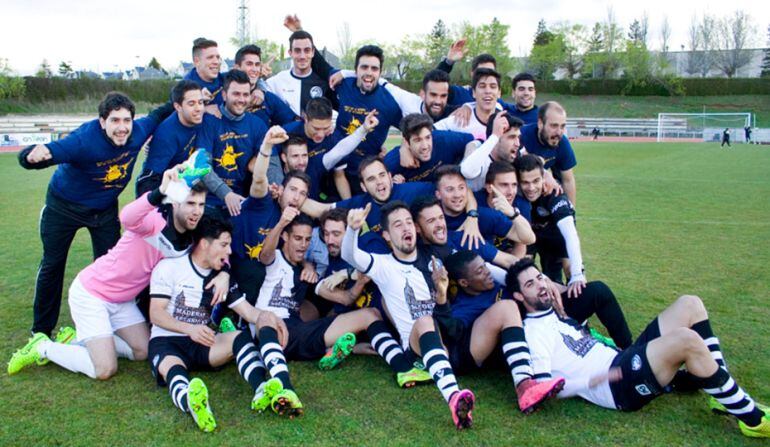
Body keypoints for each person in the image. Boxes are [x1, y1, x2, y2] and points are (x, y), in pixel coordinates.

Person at [507, 258, 770, 438]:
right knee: (686, 340)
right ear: (519, 297)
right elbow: (544, 390)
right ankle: (753, 419)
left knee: (690, 304)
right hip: (617, 386)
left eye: (540, 277)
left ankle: (721, 396)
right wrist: (591, 380)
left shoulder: (556, 313)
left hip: (623, 360)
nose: (541, 285)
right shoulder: (533, 332)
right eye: (530, 284)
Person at [8, 167, 229, 380]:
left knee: (142, 351)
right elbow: (127, 217)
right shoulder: (154, 222)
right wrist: (160, 191)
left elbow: (212, 250)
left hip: (123, 301)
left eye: (200, 204)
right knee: (104, 369)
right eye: (190, 203)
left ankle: (77, 339)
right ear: (175, 202)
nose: (197, 211)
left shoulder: (190, 237)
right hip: (93, 294)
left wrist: (224, 273)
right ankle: (43, 347)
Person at [18, 92, 171, 336]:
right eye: (115, 121)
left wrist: (198, 95)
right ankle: (41, 332)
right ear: (102, 122)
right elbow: (46, 152)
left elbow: (161, 112)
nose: (122, 128)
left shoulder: (139, 130)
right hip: (64, 207)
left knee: (111, 266)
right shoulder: (84, 140)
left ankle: (107, 321)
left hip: (104, 209)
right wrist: (30, 156)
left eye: (126, 120)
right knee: (52, 264)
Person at [255, 208, 432, 389]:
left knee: (370, 314)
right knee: (271, 318)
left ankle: (403, 368)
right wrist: (282, 223)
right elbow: (266, 254)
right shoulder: (279, 259)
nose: (303, 245)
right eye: (298, 239)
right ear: (285, 237)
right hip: (272, 328)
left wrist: (357, 279)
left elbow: (350, 294)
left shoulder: (312, 271)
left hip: (301, 331)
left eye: (307, 240)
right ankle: (284, 387)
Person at [341, 201, 476, 429]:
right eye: (397, 225)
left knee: (496, 313)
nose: (405, 229)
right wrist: (352, 229)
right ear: (386, 235)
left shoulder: (433, 258)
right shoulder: (382, 265)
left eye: (408, 223)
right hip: (417, 349)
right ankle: (453, 396)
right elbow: (351, 255)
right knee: (424, 321)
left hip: (449, 340)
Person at [147, 216, 291, 431]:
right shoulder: (169, 267)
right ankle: (192, 403)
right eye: (224, 245)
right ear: (205, 244)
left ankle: (262, 388)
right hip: (167, 341)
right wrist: (190, 329)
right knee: (174, 370)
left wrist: (270, 317)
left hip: (202, 343)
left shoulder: (221, 276)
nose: (229, 251)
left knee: (239, 337)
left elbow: (248, 312)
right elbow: (156, 314)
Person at [196, 69, 268, 218]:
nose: (241, 99)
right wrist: (226, 194)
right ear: (224, 94)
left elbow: (269, 163)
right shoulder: (209, 121)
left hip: (243, 201)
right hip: (210, 201)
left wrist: (275, 185)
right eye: (236, 94)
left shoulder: (257, 125)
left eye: (245, 94)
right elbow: (202, 166)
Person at [515, 154, 585, 290]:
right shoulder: (515, 195)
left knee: (570, 272)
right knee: (525, 274)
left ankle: (574, 303)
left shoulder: (555, 196)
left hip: (555, 237)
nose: (531, 188)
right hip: (530, 236)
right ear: (518, 182)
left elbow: (570, 234)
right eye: (525, 182)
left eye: (536, 181)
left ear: (544, 178)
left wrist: (577, 274)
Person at [384, 113, 474, 184]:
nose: (425, 146)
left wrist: (463, 169)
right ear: (407, 142)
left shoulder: (443, 139)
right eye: (417, 140)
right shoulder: (393, 161)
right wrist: (395, 186)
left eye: (427, 138)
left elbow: (474, 142)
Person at [265, 30, 338, 116]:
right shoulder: (277, 81)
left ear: (313, 52)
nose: (302, 56)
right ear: (290, 53)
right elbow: (256, 91)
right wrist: (258, 76)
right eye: (297, 51)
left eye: (307, 50)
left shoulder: (324, 82)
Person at [518, 101, 578, 206]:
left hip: (538, 192)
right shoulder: (521, 135)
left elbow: (568, 180)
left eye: (562, 126)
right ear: (540, 123)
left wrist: (571, 211)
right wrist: (545, 173)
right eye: (554, 126)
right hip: (516, 190)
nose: (559, 132)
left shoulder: (562, 142)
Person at [232, 44, 298, 128]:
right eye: (249, 64)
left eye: (257, 65)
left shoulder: (268, 98)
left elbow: (292, 123)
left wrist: (276, 136)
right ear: (237, 68)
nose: (254, 69)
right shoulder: (224, 94)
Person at [434, 68, 502, 141]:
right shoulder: (460, 119)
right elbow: (428, 133)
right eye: (482, 86)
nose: (488, 91)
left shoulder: (504, 121)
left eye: (493, 87)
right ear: (474, 93)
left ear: (499, 93)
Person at [184, 38, 224, 110]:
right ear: (197, 61)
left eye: (217, 57)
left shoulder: (225, 79)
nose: (216, 62)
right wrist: (199, 104)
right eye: (210, 57)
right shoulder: (184, 87)